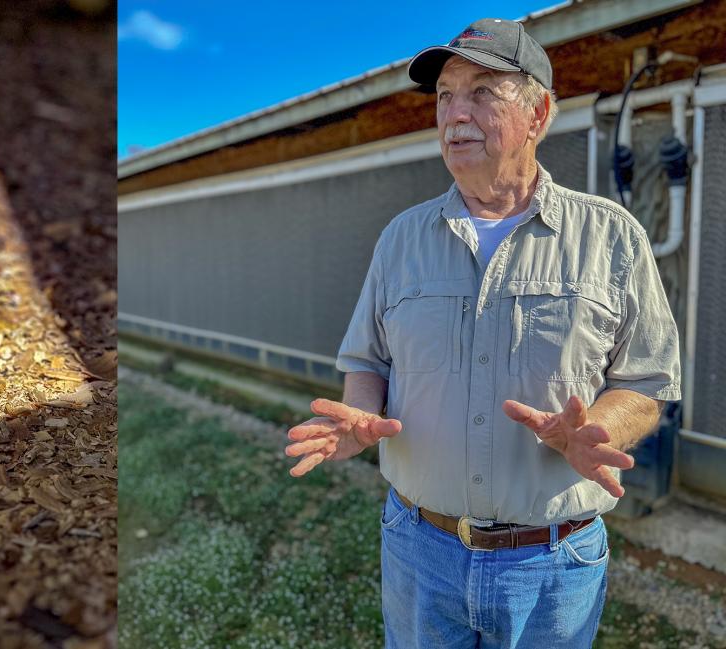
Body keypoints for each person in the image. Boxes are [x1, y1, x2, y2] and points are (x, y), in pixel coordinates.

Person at [284, 18, 682, 648]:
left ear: (539, 114)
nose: (455, 114)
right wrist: (360, 415)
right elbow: (368, 362)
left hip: (553, 563)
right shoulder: (401, 240)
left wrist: (601, 428)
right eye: (445, 95)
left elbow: (648, 379)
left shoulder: (613, 237)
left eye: (482, 93)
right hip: (419, 549)